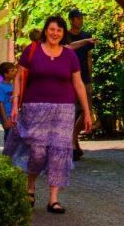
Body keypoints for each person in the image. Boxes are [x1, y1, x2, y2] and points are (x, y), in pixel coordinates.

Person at [7, 14, 92, 213]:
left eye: (59, 30)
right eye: (52, 29)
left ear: (63, 33)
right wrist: (15, 102)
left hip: (64, 110)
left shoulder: (69, 55)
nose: (55, 33)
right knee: (37, 152)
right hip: (34, 109)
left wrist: (87, 112)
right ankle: (30, 185)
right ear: (46, 30)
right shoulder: (32, 50)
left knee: (59, 153)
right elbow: (19, 77)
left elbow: (78, 83)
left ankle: (53, 198)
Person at [63, 9, 95, 160]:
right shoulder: (65, 36)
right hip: (69, 79)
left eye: (82, 18)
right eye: (78, 18)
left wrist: (90, 76)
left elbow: (88, 57)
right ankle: (73, 143)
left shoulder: (86, 35)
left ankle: (73, 137)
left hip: (84, 78)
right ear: (71, 20)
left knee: (87, 110)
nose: (81, 20)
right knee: (71, 111)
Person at [0, 61, 16, 141]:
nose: (14, 72)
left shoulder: (11, 85)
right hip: (6, 116)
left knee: (12, 137)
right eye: (12, 71)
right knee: (8, 137)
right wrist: (5, 121)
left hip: (12, 115)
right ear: (6, 74)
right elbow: (0, 104)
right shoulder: (1, 87)